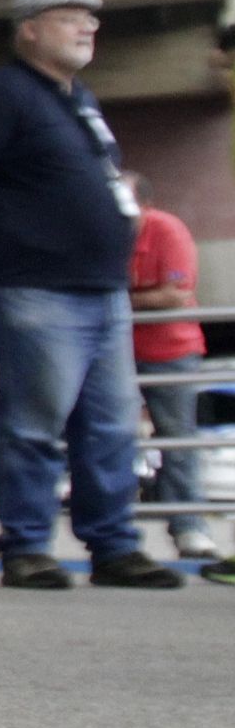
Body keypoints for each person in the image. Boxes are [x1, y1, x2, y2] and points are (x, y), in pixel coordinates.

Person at [0, 0, 181, 592]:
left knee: (113, 424)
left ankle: (115, 546)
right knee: (34, 421)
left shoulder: (79, 100)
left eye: (92, 22)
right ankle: (27, 546)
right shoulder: (1, 92)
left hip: (101, 289)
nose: (87, 30)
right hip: (35, 285)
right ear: (29, 30)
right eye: (70, 20)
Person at [126, 172, 218, 562]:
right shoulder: (103, 231)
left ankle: (189, 530)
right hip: (115, 353)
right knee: (107, 438)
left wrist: (119, 301)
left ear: (145, 206)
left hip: (171, 351)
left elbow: (176, 294)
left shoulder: (168, 231)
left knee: (177, 439)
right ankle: (116, 535)